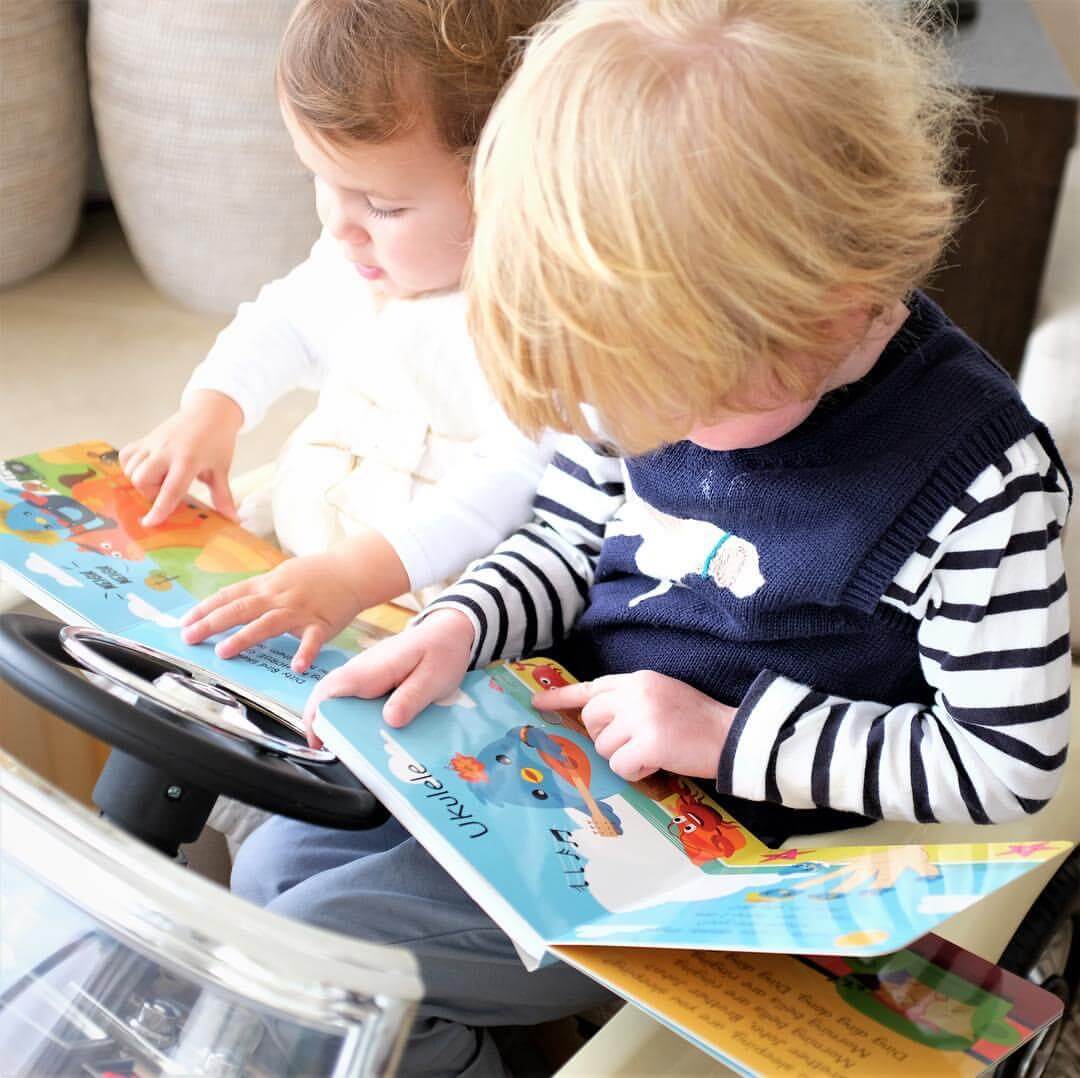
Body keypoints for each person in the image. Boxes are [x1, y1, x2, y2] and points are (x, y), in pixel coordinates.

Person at [234, 1, 1072, 1071]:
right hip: (563, 766)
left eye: (670, 407)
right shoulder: (654, 336)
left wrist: (722, 734)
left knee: (320, 948)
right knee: (273, 862)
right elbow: (573, 532)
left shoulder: (980, 484)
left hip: (737, 858)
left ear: (825, 314)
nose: (634, 429)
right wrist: (461, 623)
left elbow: (1006, 764)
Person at [118, 0, 556, 675]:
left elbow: (509, 481)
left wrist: (355, 574)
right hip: (296, 553)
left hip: (416, 622)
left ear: (516, 182)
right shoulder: (358, 257)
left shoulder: (539, 320)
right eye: (319, 179)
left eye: (383, 204)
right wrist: (214, 406)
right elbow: (284, 321)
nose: (339, 223)